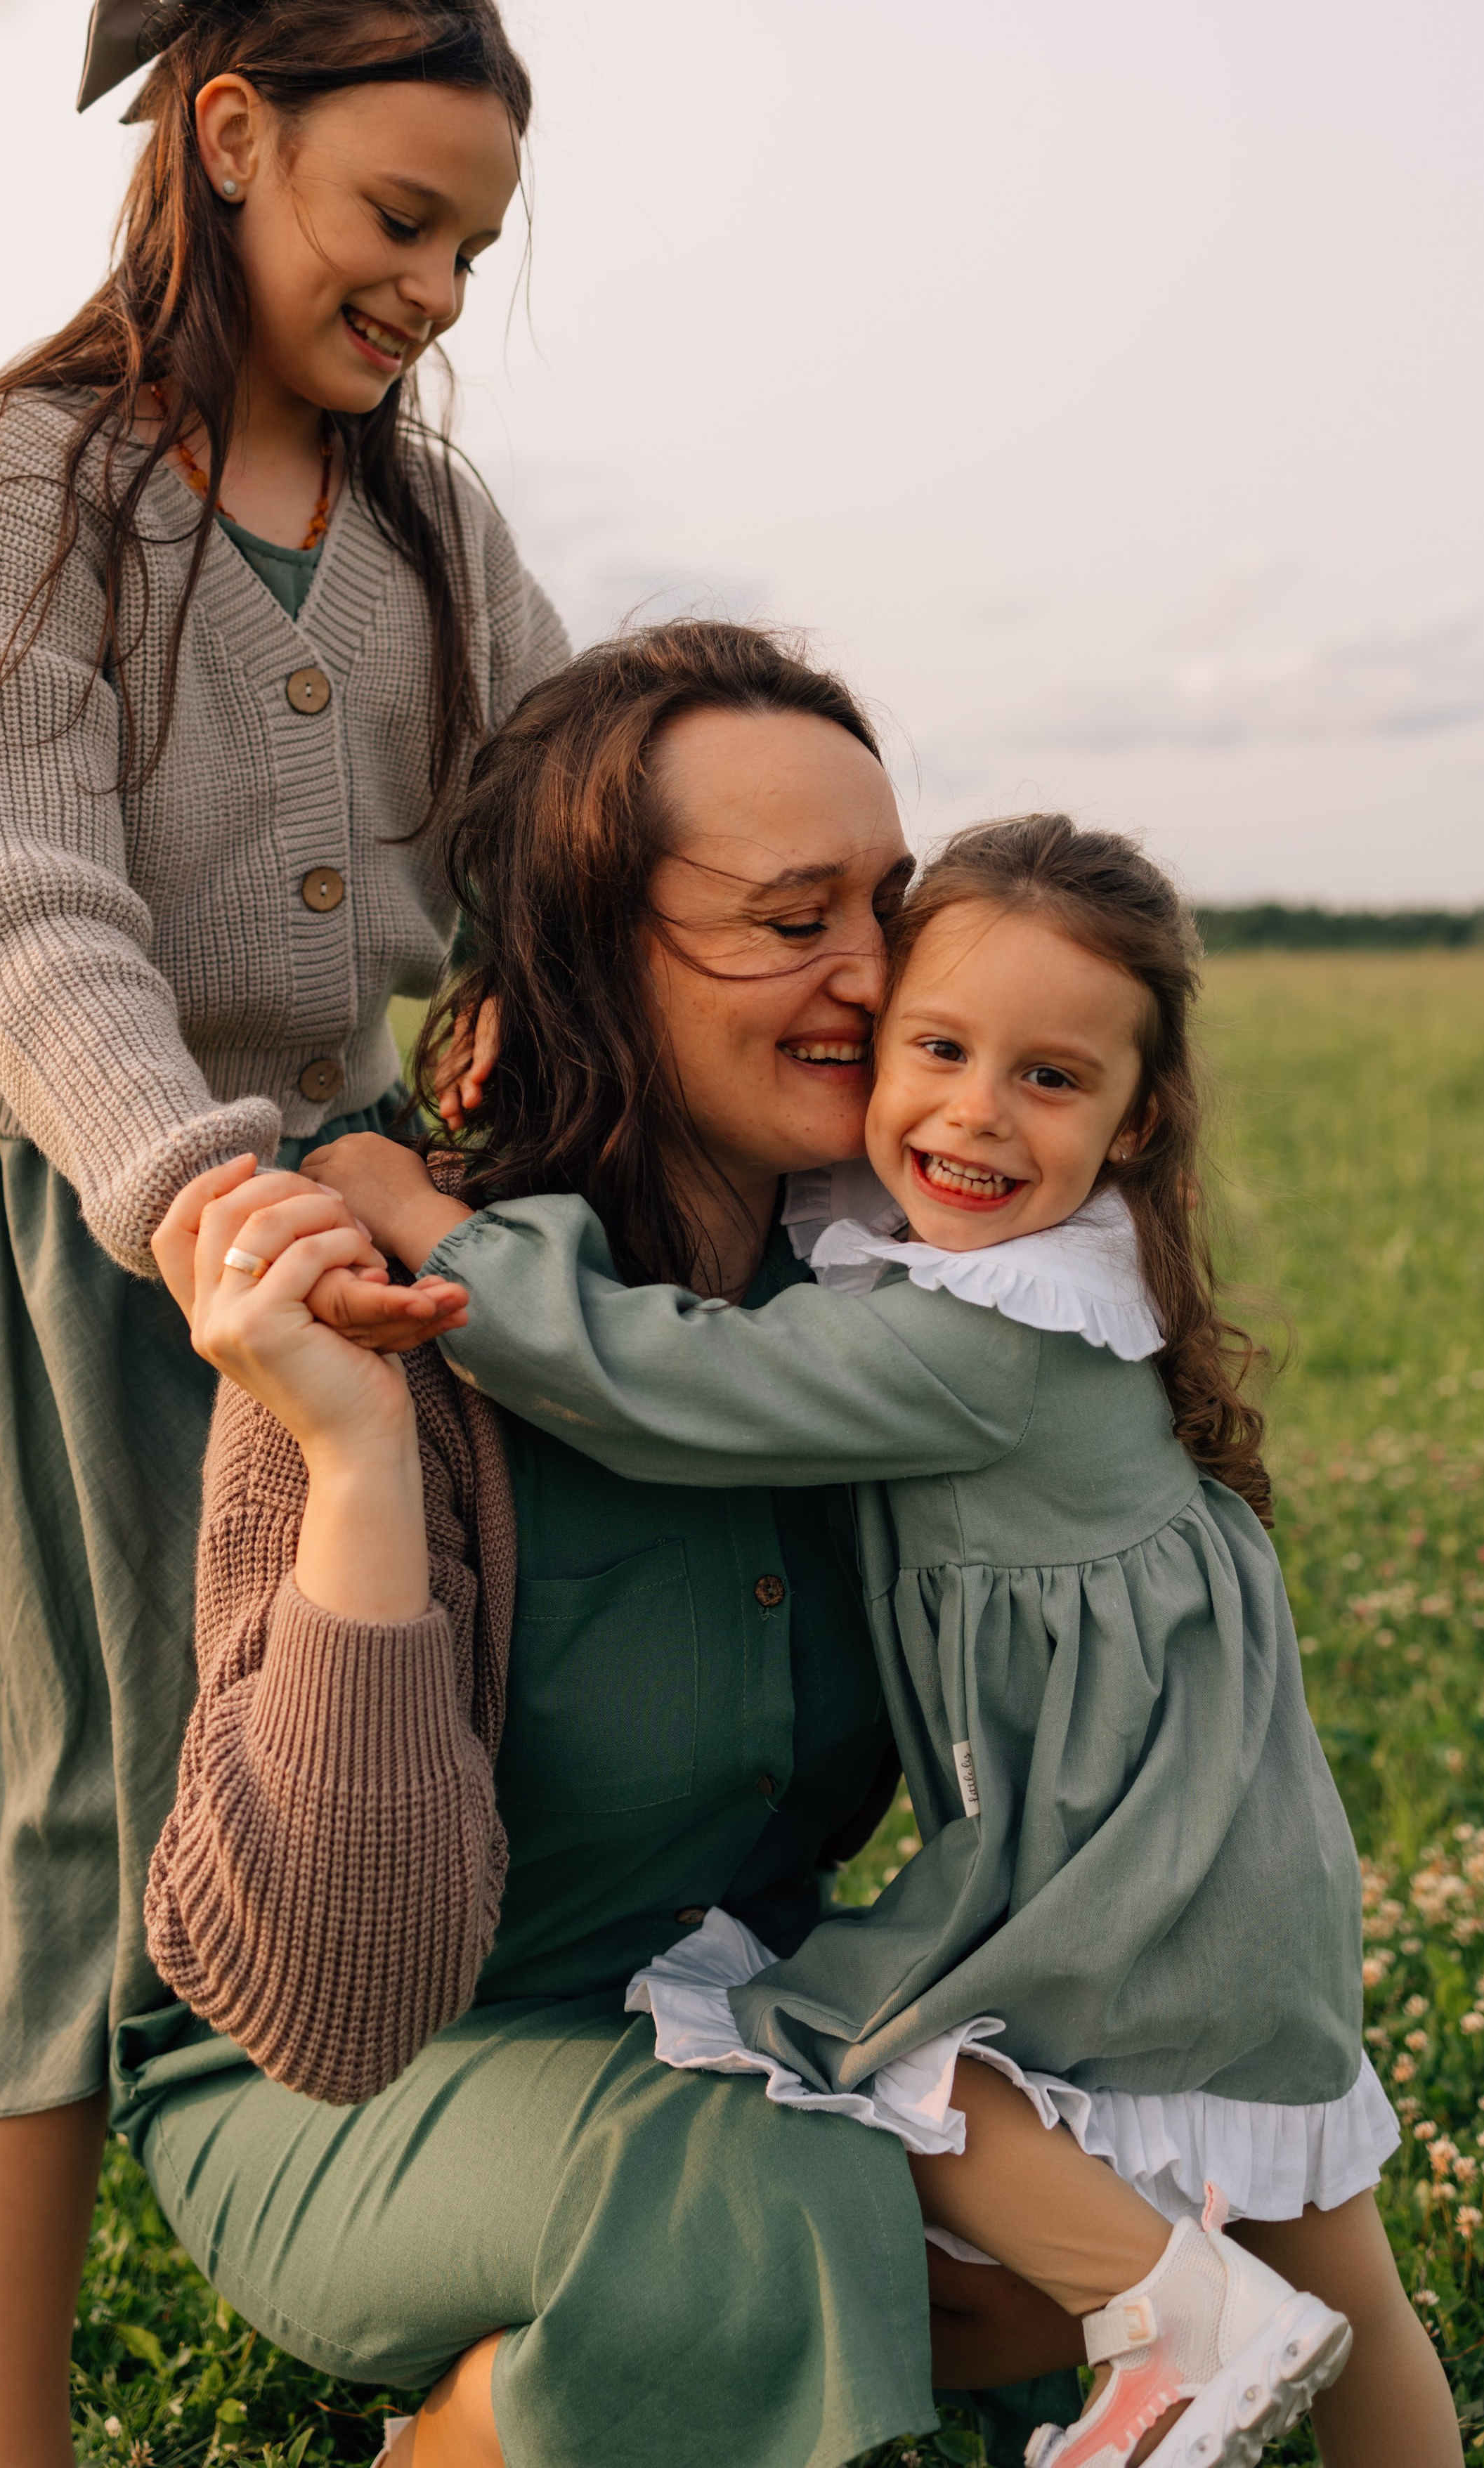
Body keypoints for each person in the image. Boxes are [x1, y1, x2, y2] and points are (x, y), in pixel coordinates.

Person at [311, 812, 1464, 2467]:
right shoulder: (1010, 1249)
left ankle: (1176, 2317)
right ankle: (1200, 2320)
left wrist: (425, 1219)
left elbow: (673, 1378)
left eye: (1047, 1081)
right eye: (936, 1049)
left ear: (1135, 1117)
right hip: (1228, 1853)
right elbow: (813, 1160)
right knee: (1334, 2252)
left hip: (1127, 1863)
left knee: (849, 2038)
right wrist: (530, 1013)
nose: (973, 1113)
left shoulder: (990, 1336)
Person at [0, 0, 563, 2467]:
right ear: (232, 135)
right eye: (404, 222)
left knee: (384, 1753)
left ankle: (448, 2294)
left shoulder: (433, 534)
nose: (438, 294)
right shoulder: (18, 493)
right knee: (72, 1813)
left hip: (364, 1229)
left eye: (480, 249)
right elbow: (20, 905)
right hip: (80, 1239)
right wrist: (194, 1202)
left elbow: (553, 843)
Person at [142, 625, 1100, 2468]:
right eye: (790, 913)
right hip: (366, 2078)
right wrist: (349, 1465)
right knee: (760, 2197)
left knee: (1144, 2197)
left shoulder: (890, 1305)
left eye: (888, 903)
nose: (874, 971)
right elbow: (336, 2002)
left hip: (751, 2011)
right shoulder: (379, 1314)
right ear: (585, 948)